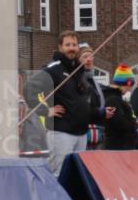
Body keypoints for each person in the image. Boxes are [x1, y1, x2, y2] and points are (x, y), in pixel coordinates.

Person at [30, 31, 109, 176]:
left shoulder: (78, 70)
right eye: (67, 45)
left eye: (74, 45)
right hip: (61, 134)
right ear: (60, 47)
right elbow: (29, 89)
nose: (71, 48)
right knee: (59, 175)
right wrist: (46, 111)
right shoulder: (53, 69)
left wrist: (100, 113)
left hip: (81, 134)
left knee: (76, 176)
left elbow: (80, 104)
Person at [103, 65, 138, 150]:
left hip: (121, 146)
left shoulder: (116, 98)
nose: (130, 89)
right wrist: (135, 124)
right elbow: (120, 123)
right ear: (127, 83)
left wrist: (133, 121)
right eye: (130, 85)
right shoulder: (113, 99)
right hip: (118, 147)